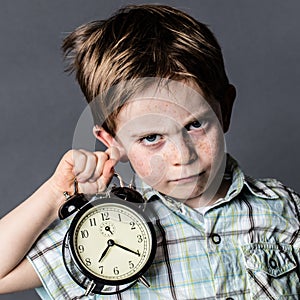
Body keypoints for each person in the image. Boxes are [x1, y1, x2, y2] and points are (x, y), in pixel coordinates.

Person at [0, 4, 299, 299]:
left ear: (225, 110)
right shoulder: (104, 228)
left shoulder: (283, 208)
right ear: (113, 142)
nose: (182, 156)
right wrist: (55, 195)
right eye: (152, 137)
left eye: (194, 125)